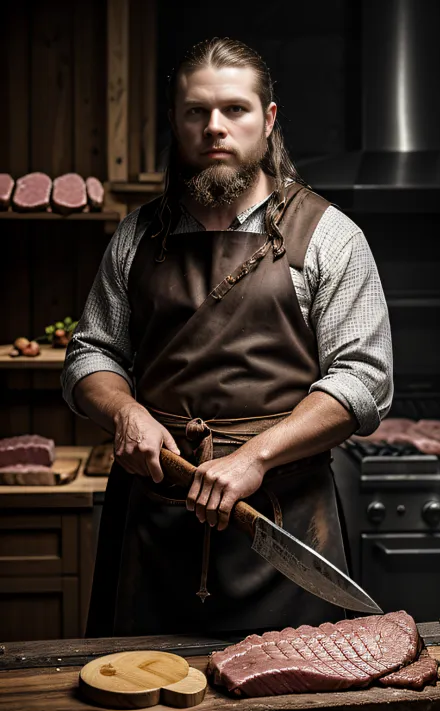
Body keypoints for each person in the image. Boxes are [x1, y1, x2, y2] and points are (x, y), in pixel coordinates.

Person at [61, 38, 393, 638]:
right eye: (196, 111)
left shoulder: (330, 236)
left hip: (282, 525)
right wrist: (125, 409)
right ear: (175, 121)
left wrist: (253, 458)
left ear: (267, 120)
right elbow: (93, 352)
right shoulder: (136, 236)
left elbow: (362, 380)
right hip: (154, 521)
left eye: (235, 110)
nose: (215, 127)